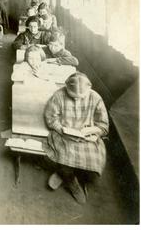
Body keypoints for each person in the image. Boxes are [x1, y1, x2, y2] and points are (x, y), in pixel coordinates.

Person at [43, 72, 109, 204]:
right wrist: (61, 129)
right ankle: (71, 181)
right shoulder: (59, 95)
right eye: (73, 97)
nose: (77, 100)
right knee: (64, 156)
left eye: (81, 97)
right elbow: (50, 118)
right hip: (64, 135)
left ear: (89, 88)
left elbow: (103, 125)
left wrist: (95, 132)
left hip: (87, 137)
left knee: (95, 166)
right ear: (67, 88)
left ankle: (63, 174)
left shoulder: (95, 98)